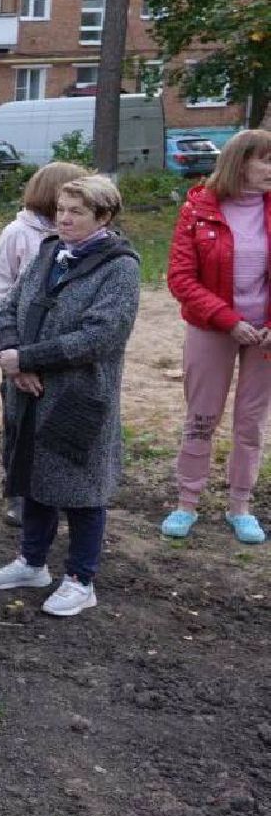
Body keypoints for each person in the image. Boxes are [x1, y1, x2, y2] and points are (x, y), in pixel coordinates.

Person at [0, 175, 140, 616]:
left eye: (76, 212)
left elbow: (101, 336)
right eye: (61, 209)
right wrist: (15, 359)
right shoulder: (49, 251)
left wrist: (29, 357)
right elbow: (9, 307)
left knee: (82, 487)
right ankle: (32, 561)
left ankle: (80, 578)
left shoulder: (120, 267)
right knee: (33, 477)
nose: (64, 218)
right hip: (28, 389)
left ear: (104, 217)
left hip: (79, 396)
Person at [161, 128, 271, 544]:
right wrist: (228, 320)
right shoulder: (198, 209)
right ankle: (187, 502)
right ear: (240, 163)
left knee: (250, 423)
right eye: (266, 160)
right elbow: (181, 278)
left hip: (264, 336)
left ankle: (241, 506)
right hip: (212, 327)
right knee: (202, 417)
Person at [0, 161, 88, 526]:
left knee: (54, 424)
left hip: (57, 354)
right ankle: (17, 494)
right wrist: (15, 355)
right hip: (19, 351)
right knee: (18, 425)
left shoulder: (75, 238)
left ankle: (50, 492)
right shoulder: (19, 234)